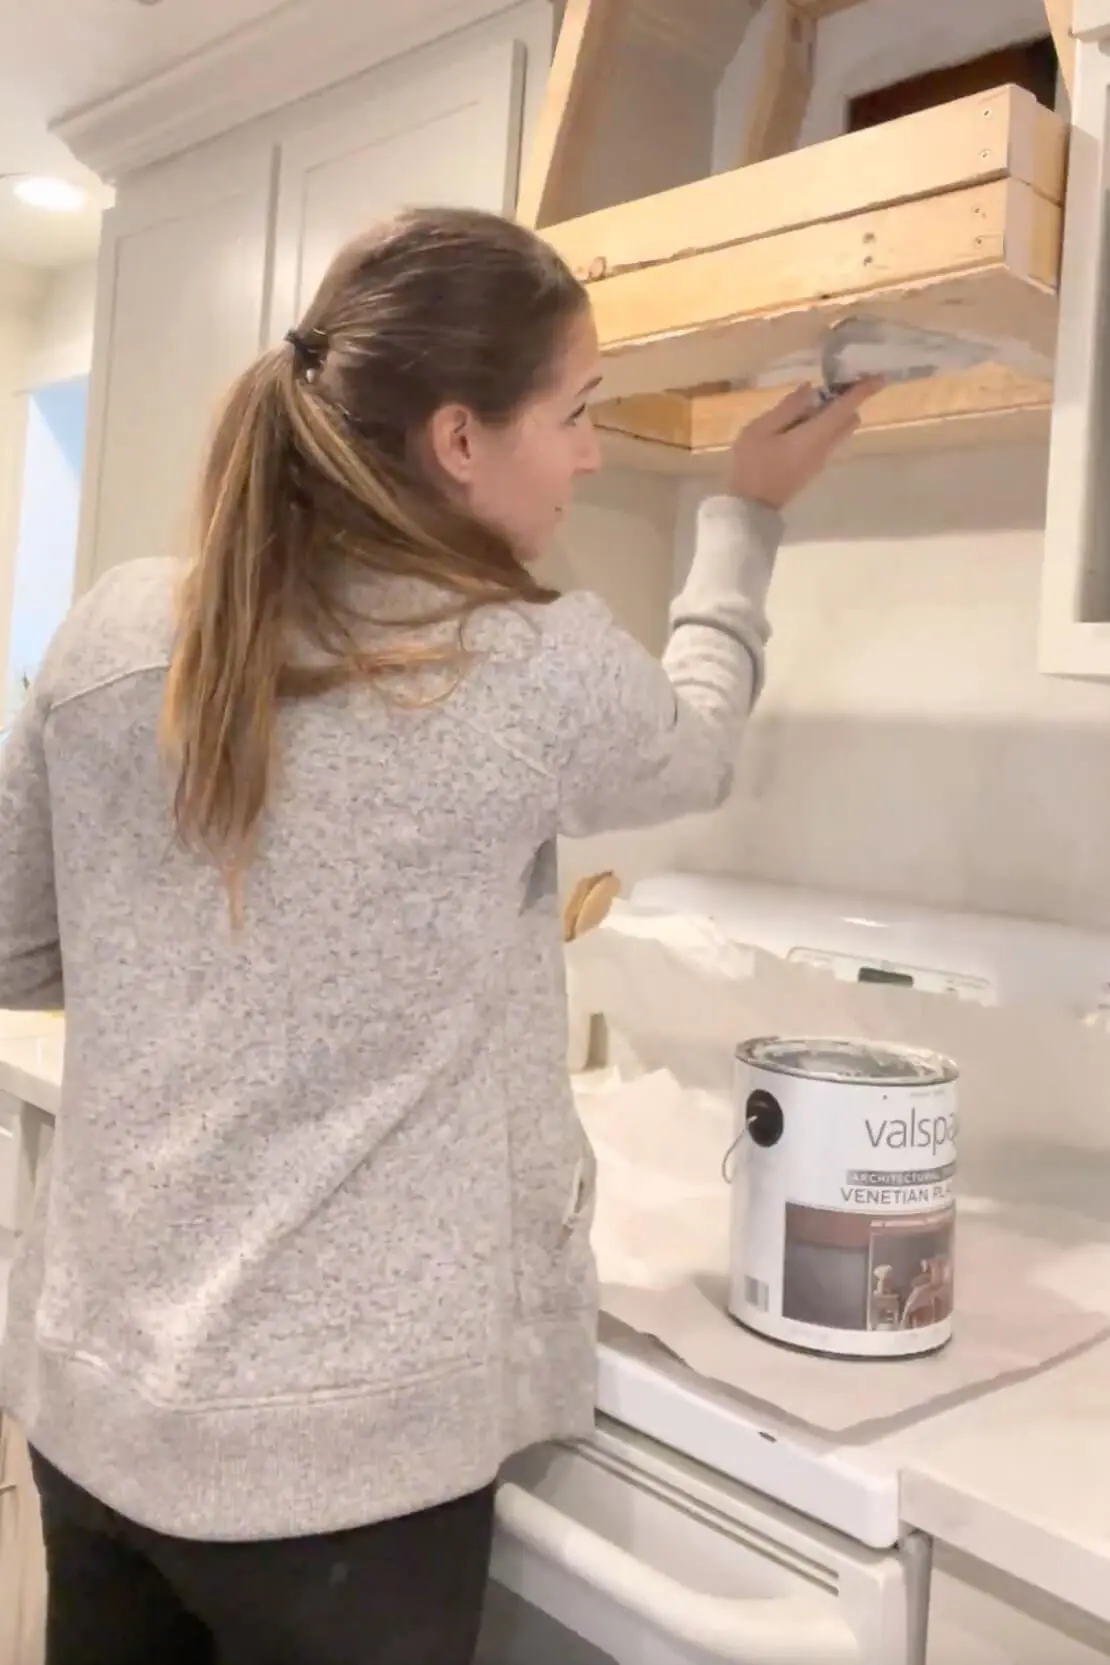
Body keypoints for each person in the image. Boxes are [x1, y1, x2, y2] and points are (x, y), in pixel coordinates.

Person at [0, 205, 878, 1665]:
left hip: (96, 1421)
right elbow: (700, 749)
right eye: (577, 411)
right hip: (344, 1486)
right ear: (460, 439)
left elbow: (16, 951)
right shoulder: (525, 668)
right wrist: (748, 513)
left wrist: (203, 982)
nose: (592, 451)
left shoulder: (110, 634)